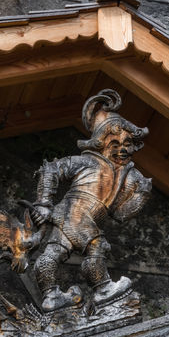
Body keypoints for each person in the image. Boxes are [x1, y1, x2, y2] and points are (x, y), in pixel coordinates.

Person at [29, 89, 153, 311]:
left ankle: (51, 295)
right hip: (77, 211)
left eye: (127, 144)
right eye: (115, 144)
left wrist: (141, 196)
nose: (123, 149)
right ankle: (103, 289)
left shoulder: (127, 175)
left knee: (54, 251)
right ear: (101, 143)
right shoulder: (88, 162)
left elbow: (120, 213)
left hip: (77, 215)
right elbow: (51, 169)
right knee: (95, 249)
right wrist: (43, 203)